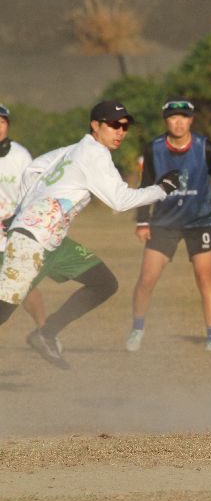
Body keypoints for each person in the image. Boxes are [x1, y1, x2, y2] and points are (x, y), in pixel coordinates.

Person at [0, 100, 179, 368]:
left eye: (125, 126)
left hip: (52, 241)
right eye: (114, 125)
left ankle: (46, 334)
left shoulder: (73, 149)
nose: (120, 131)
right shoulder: (94, 154)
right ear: (95, 125)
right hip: (31, 241)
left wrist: (23, 209)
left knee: (104, 283)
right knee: (3, 310)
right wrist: (161, 189)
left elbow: (33, 169)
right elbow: (120, 200)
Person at [127, 99, 211, 353]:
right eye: (173, 117)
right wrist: (142, 220)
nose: (179, 122)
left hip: (200, 221)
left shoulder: (205, 147)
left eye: (184, 117)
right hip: (164, 222)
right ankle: (137, 329)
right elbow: (146, 185)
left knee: (204, 276)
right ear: (165, 121)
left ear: (191, 120)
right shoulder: (154, 149)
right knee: (147, 278)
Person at [0, 104, 48, 330]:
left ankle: (44, 332)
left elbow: (34, 191)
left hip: (12, 231)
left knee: (24, 286)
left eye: (2, 122)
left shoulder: (20, 155)